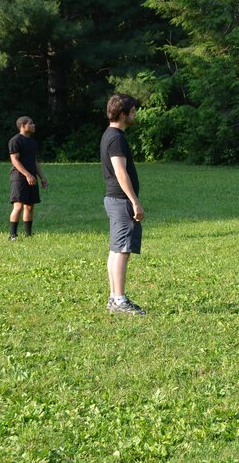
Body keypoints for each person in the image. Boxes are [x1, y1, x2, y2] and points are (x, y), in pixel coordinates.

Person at [100, 93, 146, 315]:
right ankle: (119, 300)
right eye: (133, 111)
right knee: (122, 251)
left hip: (114, 199)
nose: (135, 114)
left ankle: (113, 298)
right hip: (120, 200)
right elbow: (120, 171)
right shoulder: (116, 138)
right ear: (122, 114)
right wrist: (134, 201)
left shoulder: (110, 135)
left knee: (116, 249)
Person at [8, 116, 48, 241]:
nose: (33, 125)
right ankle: (12, 235)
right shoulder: (15, 140)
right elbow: (14, 159)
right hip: (19, 177)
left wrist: (42, 177)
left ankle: (28, 234)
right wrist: (27, 174)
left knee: (29, 206)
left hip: (31, 176)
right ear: (23, 126)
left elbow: (34, 161)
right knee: (18, 206)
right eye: (31, 123)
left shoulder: (32, 142)